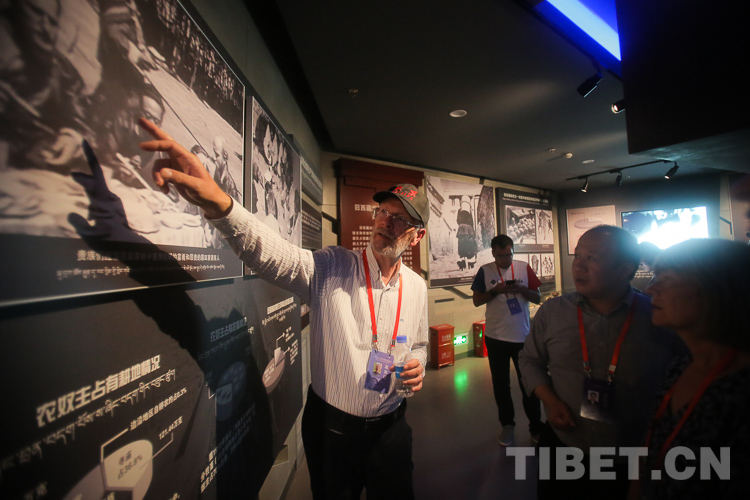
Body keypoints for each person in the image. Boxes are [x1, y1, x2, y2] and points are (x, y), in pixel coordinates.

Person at [137, 118, 429, 499]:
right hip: (332, 433)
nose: (386, 223)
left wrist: (418, 363)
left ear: (417, 235)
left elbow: (420, 345)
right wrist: (221, 205)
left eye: (400, 219)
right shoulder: (332, 266)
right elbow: (277, 257)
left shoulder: (417, 288)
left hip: (391, 429)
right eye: (383, 212)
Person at [519, 225, 686, 500]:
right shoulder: (554, 311)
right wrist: (550, 400)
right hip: (564, 443)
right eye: (577, 256)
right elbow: (529, 360)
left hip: (630, 453)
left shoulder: (656, 317)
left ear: (624, 269)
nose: (579, 266)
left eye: (592, 258)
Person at [633, 238, 750, 499]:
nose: (650, 289)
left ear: (718, 289)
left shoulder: (742, 390)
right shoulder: (681, 366)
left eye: (667, 279)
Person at [471, 234, 543, 446]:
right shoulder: (485, 271)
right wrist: (495, 292)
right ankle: (507, 425)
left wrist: (522, 290)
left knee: (528, 385)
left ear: (513, 252)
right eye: (501, 256)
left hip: (522, 338)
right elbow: (477, 301)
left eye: (509, 255)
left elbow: (538, 297)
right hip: (495, 338)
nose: (505, 260)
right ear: (493, 253)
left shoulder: (523, 268)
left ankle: (536, 427)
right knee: (501, 386)